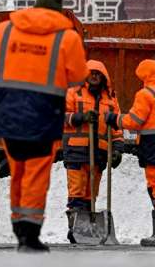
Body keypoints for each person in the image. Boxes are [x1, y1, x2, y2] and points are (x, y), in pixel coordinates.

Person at [0, 0, 88, 253]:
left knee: (19, 171)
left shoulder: (5, 30)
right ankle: (29, 234)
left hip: (9, 114)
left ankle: (19, 226)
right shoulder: (67, 37)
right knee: (36, 174)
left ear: (34, 7)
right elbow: (79, 76)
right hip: (44, 115)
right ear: (59, 13)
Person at [105, 59, 155, 247]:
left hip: (154, 145)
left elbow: (134, 121)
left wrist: (114, 119)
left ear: (144, 75)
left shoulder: (145, 94)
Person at [62, 60, 123, 243]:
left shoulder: (111, 100)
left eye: (98, 73)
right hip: (76, 151)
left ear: (104, 77)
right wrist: (79, 118)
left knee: (91, 196)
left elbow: (117, 129)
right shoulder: (74, 92)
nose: (95, 76)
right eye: (91, 72)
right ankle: (75, 231)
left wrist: (118, 149)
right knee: (77, 193)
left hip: (99, 155)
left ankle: (87, 231)